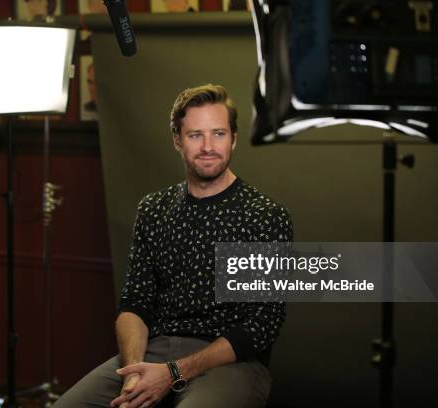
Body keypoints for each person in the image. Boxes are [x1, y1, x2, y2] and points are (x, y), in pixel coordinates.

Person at [53, 84, 293, 408]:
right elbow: (134, 304)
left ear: (234, 138)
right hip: (151, 352)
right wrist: (133, 374)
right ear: (177, 140)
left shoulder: (264, 217)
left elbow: (260, 326)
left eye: (218, 134)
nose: (208, 146)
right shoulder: (154, 208)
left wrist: (172, 373)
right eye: (195, 135)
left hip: (229, 363)